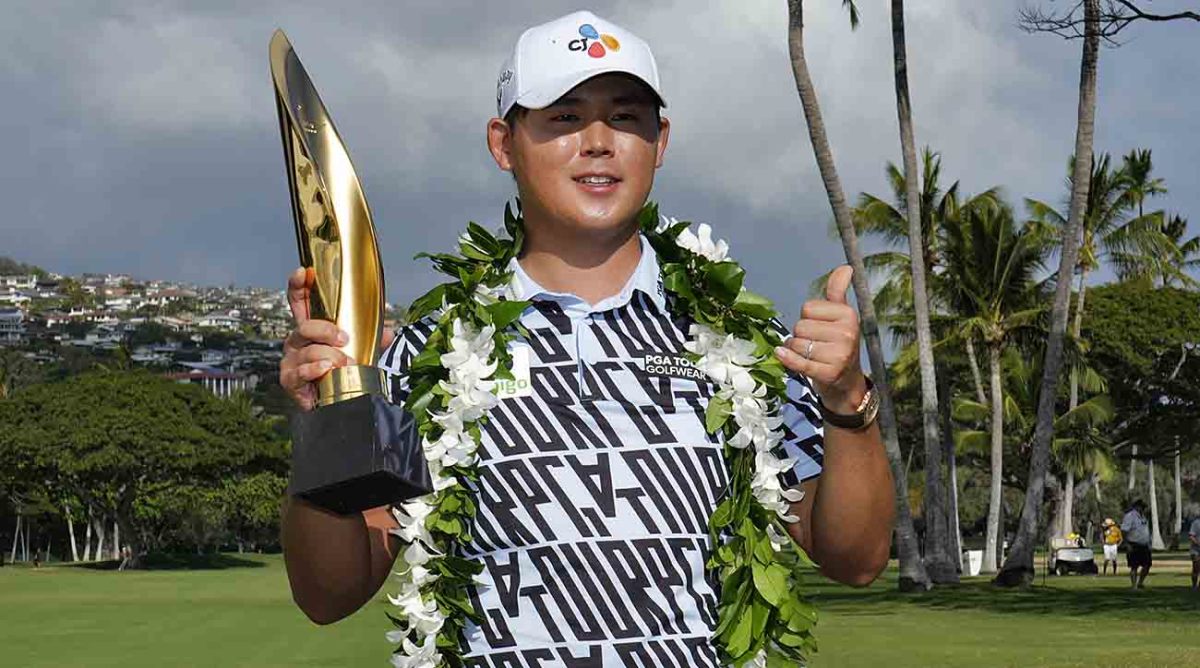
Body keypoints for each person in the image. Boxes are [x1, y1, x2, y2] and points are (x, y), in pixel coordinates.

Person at [278, 10, 895, 664]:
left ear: (660, 142)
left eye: (626, 118)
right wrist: (325, 424)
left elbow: (855, 561)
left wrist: (846, 399)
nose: (599, 142)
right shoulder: (429, 351)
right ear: (503, 143)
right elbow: (330, 595)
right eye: (564, 119)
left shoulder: (739, 341)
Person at [1120, 499, 1152, 589]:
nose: (1143, 509)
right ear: (1137, 507)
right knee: (1134, 566)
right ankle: (1134, 585)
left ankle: (1140, 582)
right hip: (1133, 544)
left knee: (1147, 565)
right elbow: (1124, 530)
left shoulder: (1143, 517)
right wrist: (1126, 543)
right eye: (1142, 507)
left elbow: (1145, 530)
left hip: (1144, 544)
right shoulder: (1130, 516)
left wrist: (1149, 542)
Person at [1189, 515, 1200, 592]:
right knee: (1196, 568)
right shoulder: (1196, 523)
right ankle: (1194, 586)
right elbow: (1191, 536)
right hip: (1196, 550)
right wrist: (1198, 543)